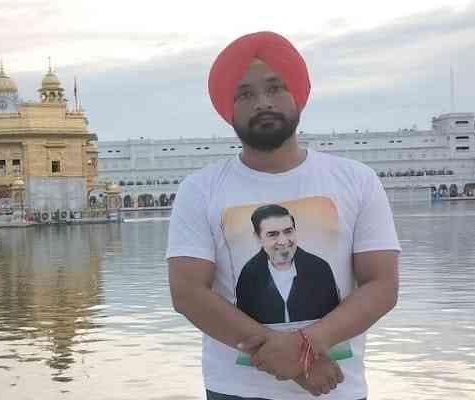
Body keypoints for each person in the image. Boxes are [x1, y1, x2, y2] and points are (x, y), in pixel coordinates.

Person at [166, 31, 401, 400]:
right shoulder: (201, 190)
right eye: (245, 93)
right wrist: (301, 364)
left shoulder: (356, 181)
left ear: (298, 95)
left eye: (275, 88)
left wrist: (307, 348)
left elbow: (382, 285)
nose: (263, 102)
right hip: (236, 391)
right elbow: (187, 293)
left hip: (336, 388)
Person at [236, 204, 340, 325]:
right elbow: (243, 326)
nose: (283, 241)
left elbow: (335, 322)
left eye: (288, 231)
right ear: (258, 238)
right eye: (273, 234)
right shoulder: (248, 274)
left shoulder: (320, 269)